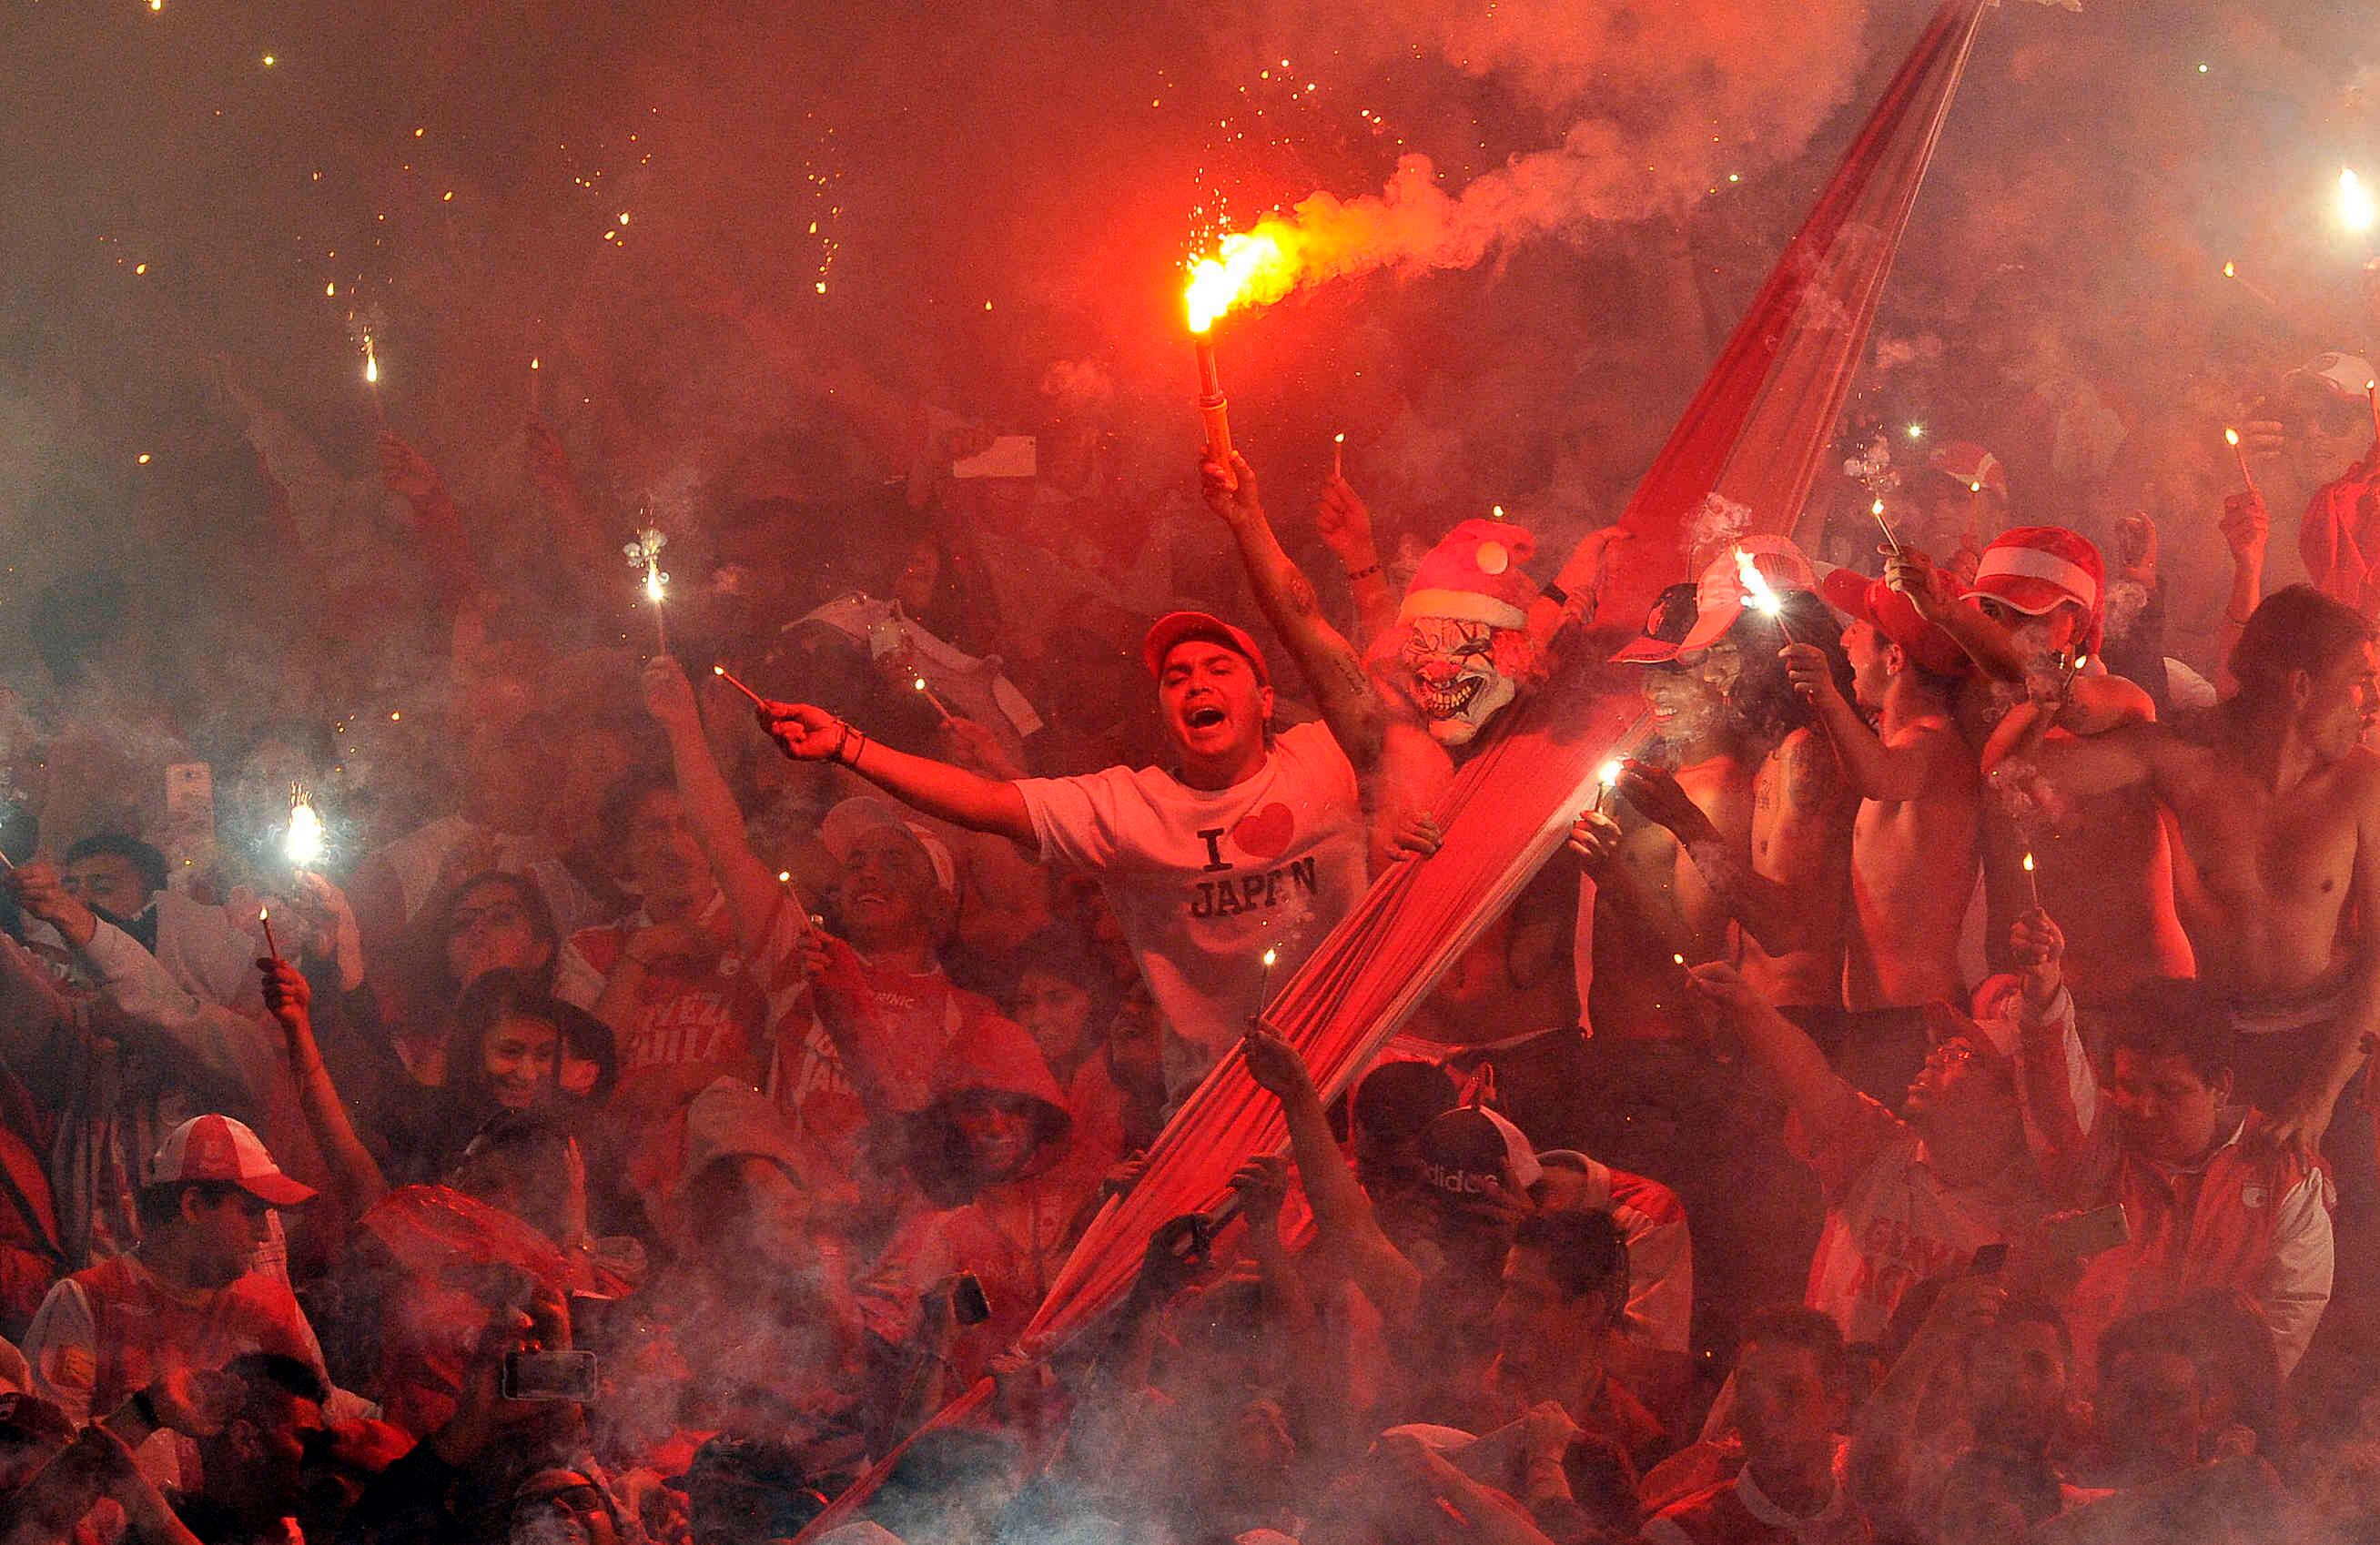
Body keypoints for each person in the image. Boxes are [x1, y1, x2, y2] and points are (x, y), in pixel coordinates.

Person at [755, 610, 1367, 1098]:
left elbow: (1406, 713)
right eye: (1176, 678)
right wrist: (846, 745)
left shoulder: (1326, 756)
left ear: (1264, 700)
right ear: (1163, 713)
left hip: (1357, 1057)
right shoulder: (1130, 808)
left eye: (1217, 669)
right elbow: (984, 802)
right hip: (1222, 1099)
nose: (1196, 683)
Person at [1986, 583, 2380, 1280]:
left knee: (2337, 1240)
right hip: (2213, 1043)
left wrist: (2319, 1097)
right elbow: (2016, 776)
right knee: (2180, 1223)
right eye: (2356, 683)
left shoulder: (2363, 786)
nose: (2367, 703)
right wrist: (2052, 695)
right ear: (2298, 686)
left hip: (2325, 1044)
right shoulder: (2181, 760)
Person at [1682, 934, 2079, 1346]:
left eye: (1961, 1056)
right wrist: (1746, 1004)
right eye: (1941, 1047)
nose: (1933, 1057)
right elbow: (1809, 1078)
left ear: (2010, 1105)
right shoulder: (1876, 1149)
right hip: (1835, 1400)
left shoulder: (2033, 1227)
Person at [1582, 540, 1858, 1051]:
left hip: (1797, 1023)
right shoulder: (1779, 746)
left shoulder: (1805, 749)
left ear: (1766, 643)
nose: (1714, 672)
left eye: (1719, 654)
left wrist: (1685, 823)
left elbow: (1781, 930)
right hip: (1764, 1022)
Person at [2046, 981, 2334, 1378]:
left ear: (2221, 1087)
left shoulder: (2283, 1175)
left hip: (2215, 1409)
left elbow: (2290, 1313)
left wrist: (2219, 1403)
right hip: (2096, 1402)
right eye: (2130, 1087)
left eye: (2168, 1091)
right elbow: (2063, 1277)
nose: (2144, 1110)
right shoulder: (2101, 1152)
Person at [1781, 567, 1980, 1100]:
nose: (1843, 639)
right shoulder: (1897, 741)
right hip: (1878, 1020)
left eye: (1858, 629)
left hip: (1914, 1021)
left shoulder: (1935, 743)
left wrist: (1826, 693)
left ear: (1895, 659)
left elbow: (1882, 777)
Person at [21, 1116, 326, 1433]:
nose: (265, 1233)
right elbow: (44, 1464)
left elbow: (327, 1425)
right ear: (192, 1206)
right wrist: (144, 1414)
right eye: (250, 1211)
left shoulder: (275, 1306)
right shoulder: (86, 1301)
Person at [1640, 1308, 1865, 1545]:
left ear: (1837, 1406)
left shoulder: (1870, 1531)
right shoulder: (1681, 1535)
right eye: (1749, 1391)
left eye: (1789, 1392)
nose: (1765, 1411)